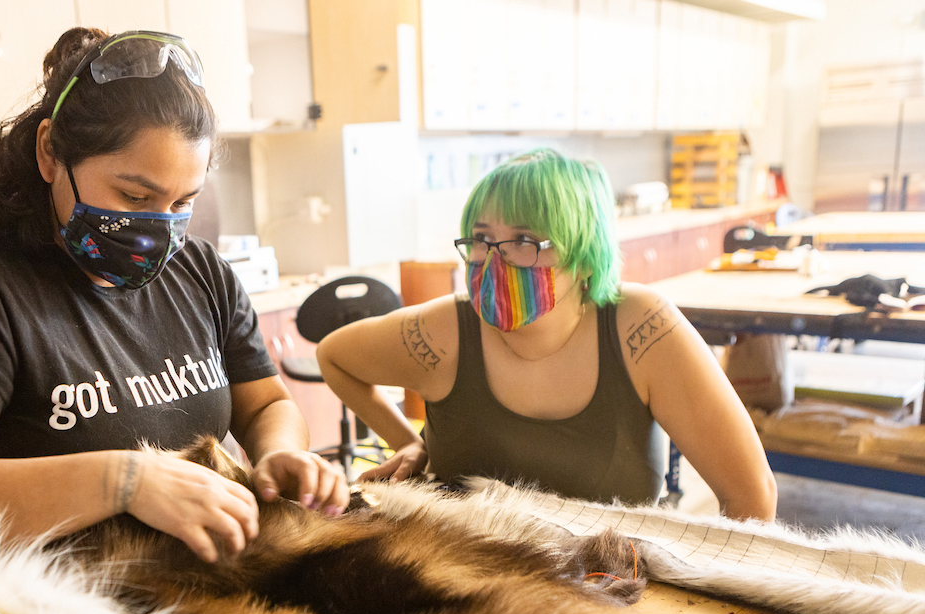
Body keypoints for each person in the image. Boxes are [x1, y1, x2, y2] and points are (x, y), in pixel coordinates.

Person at [0, 28, 348, 563]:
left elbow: (267, 405)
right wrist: (123, 481)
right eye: (134, 195)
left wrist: (278, 453)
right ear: (50, 154)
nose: (159, 229)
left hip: (201, 583)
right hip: (53, 605)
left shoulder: (201, 273)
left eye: (183, 201)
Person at [316, 148, 776, 521]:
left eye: (524, 241)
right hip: (467, 586)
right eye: (481, 239)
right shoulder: (445, 332)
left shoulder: (641, 328)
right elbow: (334, 356)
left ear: (586, 255)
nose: (495, 260)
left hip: (612, 592)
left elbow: (752, 496)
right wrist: (411, 443)